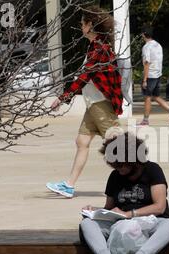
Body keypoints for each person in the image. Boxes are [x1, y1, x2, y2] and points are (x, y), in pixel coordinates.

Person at [46, 6, 123, 198]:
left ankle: (141, 181)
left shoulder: (100, 49)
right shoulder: (95, 46)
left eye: (82, 23)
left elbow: (83, 77)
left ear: (90, 25)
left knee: (119, 147)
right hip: (93, 104)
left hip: (101, 105)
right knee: (82, 141)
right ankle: (69, 185)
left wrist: (62, 98)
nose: (80, 26)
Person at [80, 131, 169, 254]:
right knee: (87, 223)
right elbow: (109, 208)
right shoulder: (115, 176)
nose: (118, 169)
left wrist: (129, 214)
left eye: (121, 165)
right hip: (120, 222)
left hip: (149, 221)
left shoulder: (152, 170)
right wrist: (94, 211)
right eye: (115, 165)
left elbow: (160, 207)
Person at [138, 27, 169, 127]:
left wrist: (145, 79)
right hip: (157, 74)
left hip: (150, 75)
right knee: (155, 96)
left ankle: (145, 121)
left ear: (144, 34)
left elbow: (147, 63)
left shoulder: (146, 47)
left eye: (141, 34)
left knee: (147, 97)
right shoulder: (158, 45)